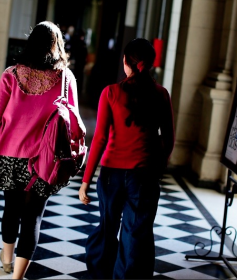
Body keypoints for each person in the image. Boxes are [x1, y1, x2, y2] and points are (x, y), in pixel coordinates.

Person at [0, 21, 79, 279]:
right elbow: (74, 123)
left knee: (11, 208)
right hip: (46, 160)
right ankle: (17, 277)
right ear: (56, 46)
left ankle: (6, 258)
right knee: (33, 217)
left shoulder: (11, 74)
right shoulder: (65, 78)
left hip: (10, 154)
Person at [78, 38, 175, 279]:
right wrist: (158, 165)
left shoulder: (111, 92)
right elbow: (169, 137)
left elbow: (99, 139)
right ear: (150, 64)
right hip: (144, 174)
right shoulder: (161, 94)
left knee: (107, 229)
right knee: (135, 234)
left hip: (111, 173)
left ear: (125, 62)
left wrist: (85, 180)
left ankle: (101, 273)